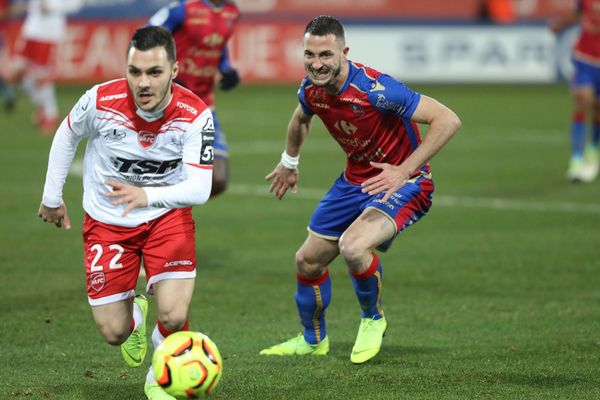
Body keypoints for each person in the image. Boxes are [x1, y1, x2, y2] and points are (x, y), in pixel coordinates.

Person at [259, 15, 461, 364]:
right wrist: (289, 163)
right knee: (307, 261)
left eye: (325, 55)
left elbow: (448, 119)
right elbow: (300, 119)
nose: (316, 63)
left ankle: (372, 318)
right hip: (354, 182)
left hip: (405, 183)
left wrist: (405, 170)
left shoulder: (377, 90)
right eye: (309, 54)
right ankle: (313, 340)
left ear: (344, 52)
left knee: (353, 247)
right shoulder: (311, 89)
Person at [37, 26, 215, 400]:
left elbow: (199, 189)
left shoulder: (195, 115)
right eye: (135, 72)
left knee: (173, 314)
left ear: (174, 70)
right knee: (113, 332)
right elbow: (68, 133)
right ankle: (134, 317)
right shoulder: (101, 100)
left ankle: (159, 374)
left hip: (166, 217)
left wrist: (147, 195)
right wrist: (52, 196)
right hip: (107, 222)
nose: (143, 83)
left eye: (154, 72)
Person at [149, 0, 240, 197]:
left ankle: (166, 207)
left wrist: (226, 69)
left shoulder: (231, 12)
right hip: (170, 105)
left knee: (218, 179)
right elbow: (146, 38)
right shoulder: (183, 9)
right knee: (157, 172)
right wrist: (166, 77)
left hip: (204, 106)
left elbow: (219, 45)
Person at [5, 0, 82, 134]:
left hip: (49, 33)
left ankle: (51, 114)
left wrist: (52, 7)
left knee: (41, 75)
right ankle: (42, 104)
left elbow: (75, 5)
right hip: (31, 29)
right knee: (16, 72)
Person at [549, 0, 600, 182]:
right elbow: (578, 13)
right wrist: (559, 25)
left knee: (597, 109)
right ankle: (576, 159)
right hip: (584, 58)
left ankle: (593, 149)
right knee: (582, 102)